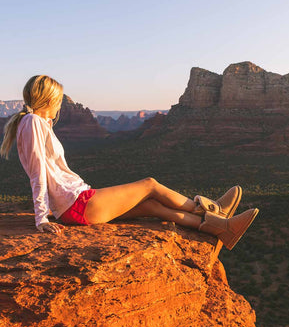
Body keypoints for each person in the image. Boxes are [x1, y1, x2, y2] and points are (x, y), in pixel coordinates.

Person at [0, 75, 259, 250]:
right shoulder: (33, 122)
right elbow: (38, 174)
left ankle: (221, 228)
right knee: (150, 184)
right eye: (58, 100)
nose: (60, 106)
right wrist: (41, 219)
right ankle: (211, 209)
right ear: (49, 100)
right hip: (76, 205)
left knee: (152, 206)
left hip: (78, 201)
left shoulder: (36, 123)